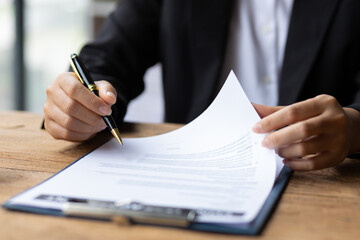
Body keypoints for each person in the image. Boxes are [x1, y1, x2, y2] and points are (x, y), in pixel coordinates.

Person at [43, 0, 360, 171]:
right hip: (195, 175)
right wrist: (82, 101)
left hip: (322, 182)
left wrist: (355, 128)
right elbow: (105, 57)